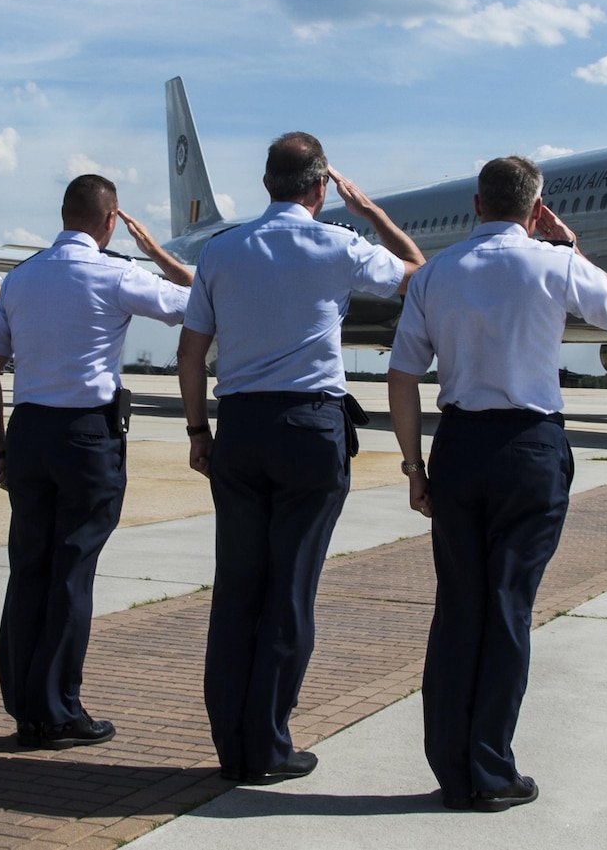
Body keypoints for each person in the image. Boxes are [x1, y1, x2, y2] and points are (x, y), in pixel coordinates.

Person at [385, 156, 607, 813]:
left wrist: (415, 465)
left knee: (458, 608)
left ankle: (451, 767)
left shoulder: (436, 272)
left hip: (459, 446)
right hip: (528, 448)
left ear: (475, 205)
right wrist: (568, 249)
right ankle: (492, 768)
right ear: (536, 209)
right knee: (507, 608)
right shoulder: (553, 261)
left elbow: (402, 375)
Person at [177, 133, 422, 784]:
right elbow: (419, 276)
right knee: (290, 590)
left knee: (237, 587)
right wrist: (369, 211)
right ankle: (268, 743)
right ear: (320, 187)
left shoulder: (220, 249)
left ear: (266, 184)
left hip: (242, 426)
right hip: (310, 429)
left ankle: (233, 743)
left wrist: (199, 429)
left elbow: (190, 353)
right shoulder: (338, 244)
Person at [0, 175, 194, 750]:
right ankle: (59, 709)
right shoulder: (117, 272)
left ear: (63, 213)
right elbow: (197, 302)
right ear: (111, 219)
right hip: (85, 437)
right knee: (71, 573)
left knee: (29, 570)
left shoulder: (20, 279)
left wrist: (0, 447)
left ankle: (25, 706)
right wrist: (159, 256)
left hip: (29, 432)